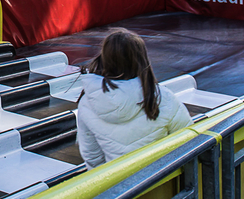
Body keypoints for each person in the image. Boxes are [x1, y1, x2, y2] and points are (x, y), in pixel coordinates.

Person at [76, 28, 191, 168]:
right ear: (142, 59)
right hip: (160, 182)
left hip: (117, 184)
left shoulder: (87, 102)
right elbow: (188, 141)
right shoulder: (162, 97)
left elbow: (92, 156)